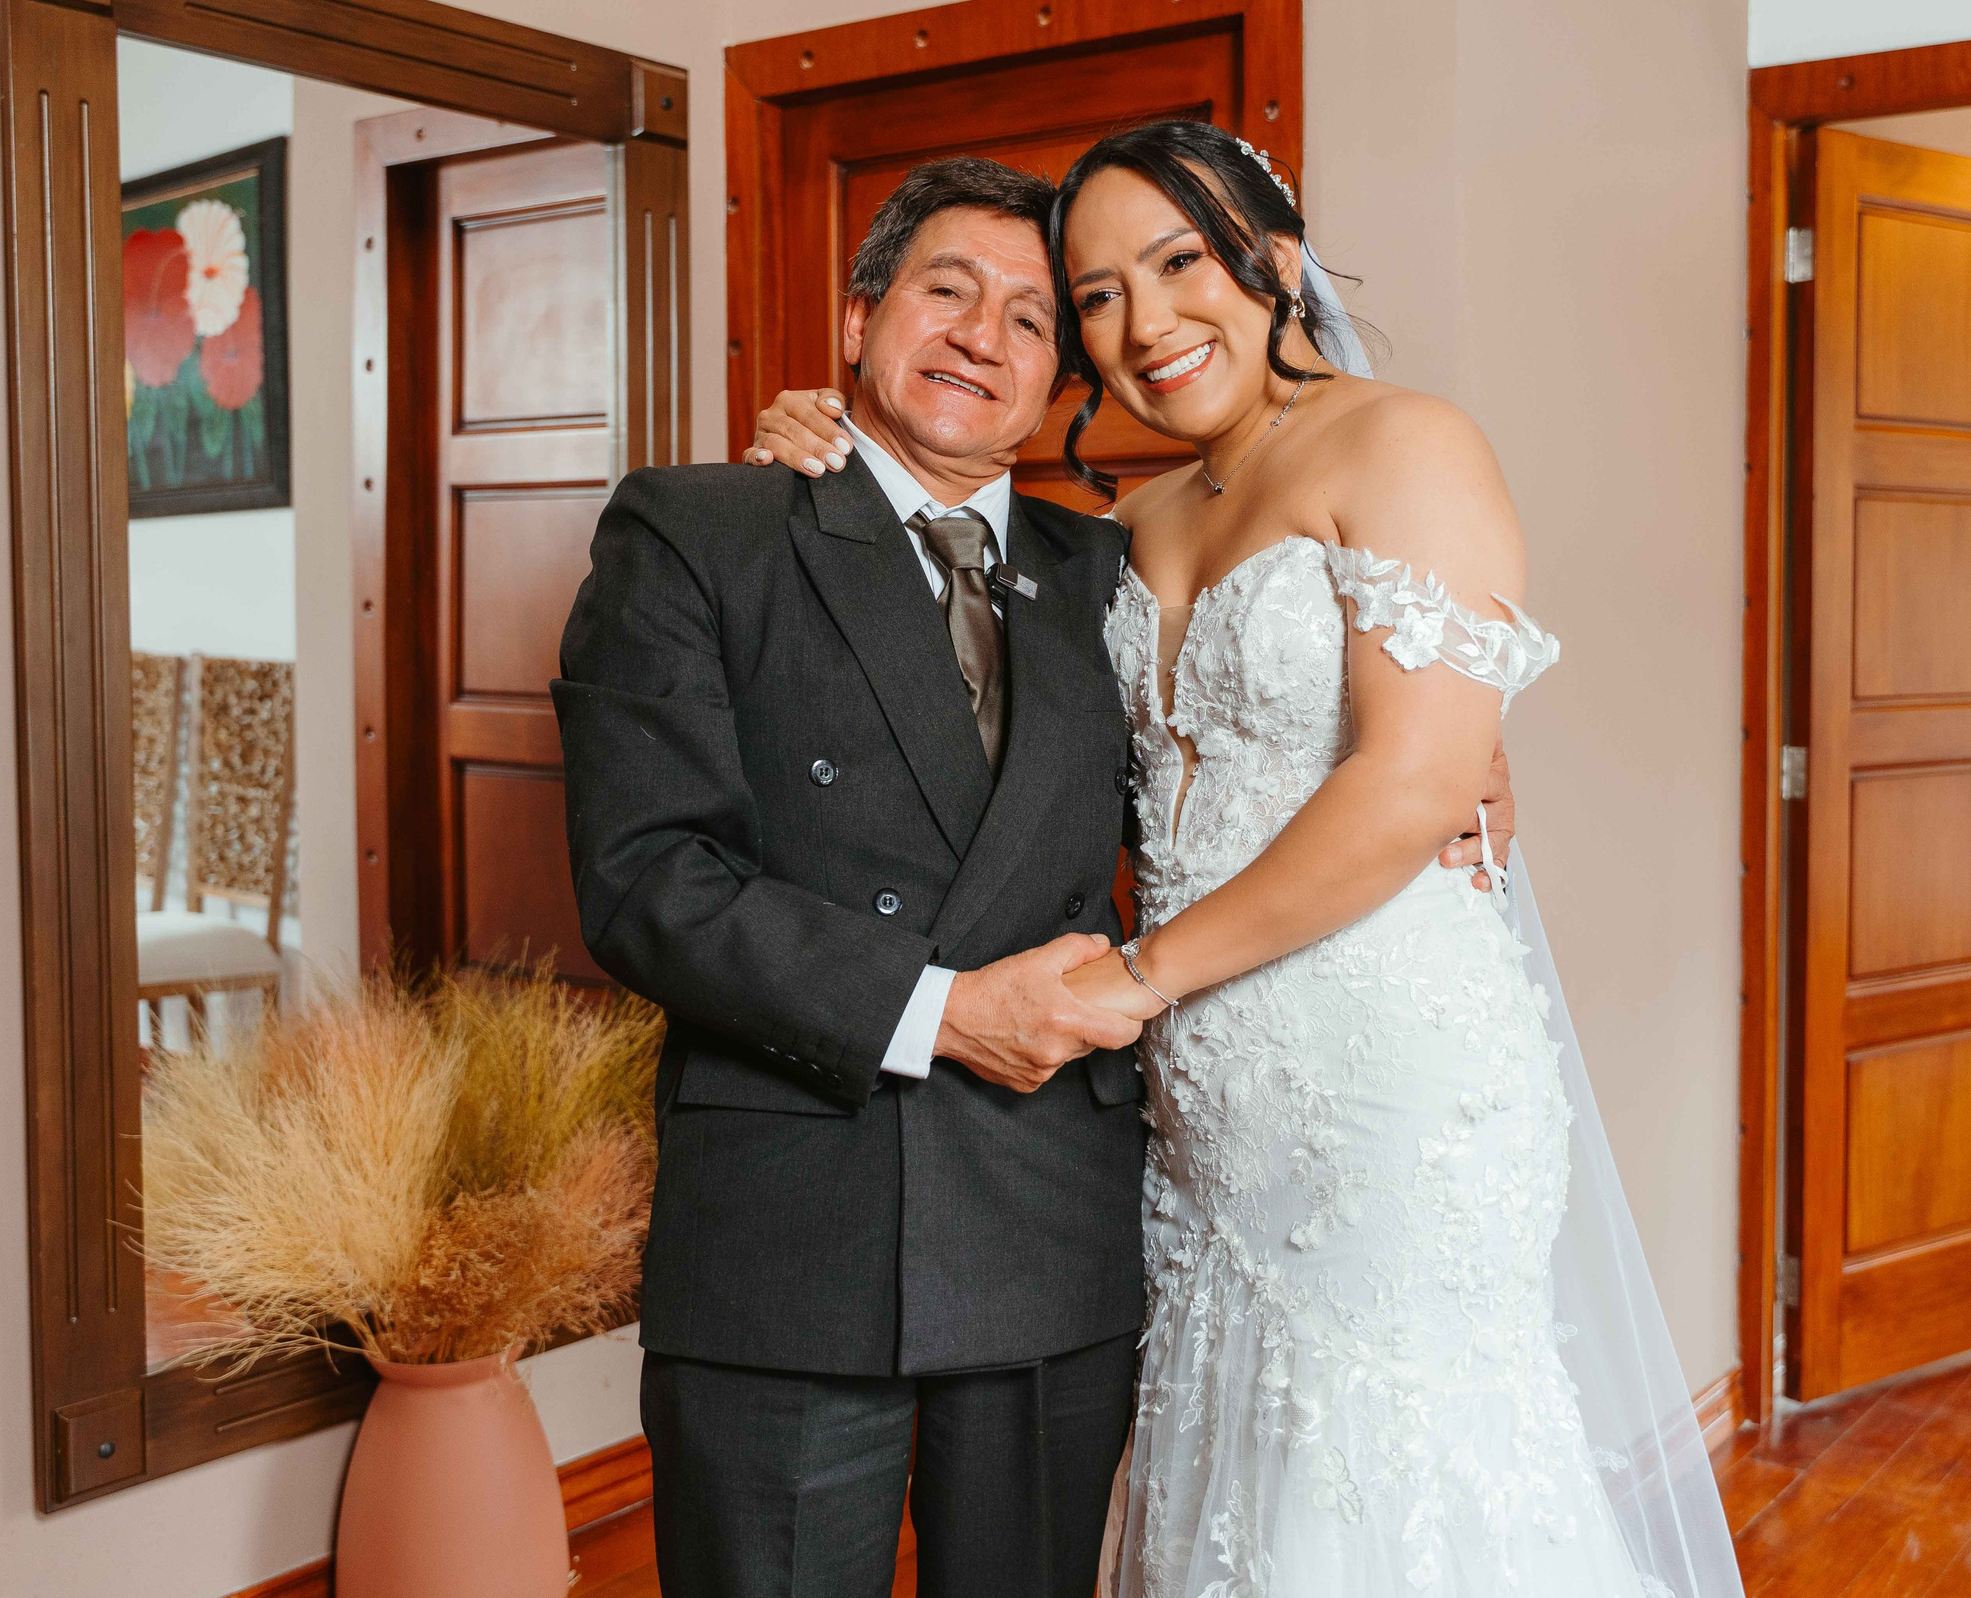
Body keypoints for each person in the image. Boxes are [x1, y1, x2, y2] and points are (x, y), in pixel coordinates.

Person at [744, 122, 1745, 1597]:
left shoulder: (1406, 443)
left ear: (1273, 261)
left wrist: (1138, 980)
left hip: (1383, 1087)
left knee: (1374, 1501)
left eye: (1179, 263)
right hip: (1195, 1125)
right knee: (1233, 1500)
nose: (1144, 323)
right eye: (1097, 296)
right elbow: (1002, 730)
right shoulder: (1119, 526)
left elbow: (1411, 781)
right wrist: (826, 450)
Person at [553, 155, 1511, 1598]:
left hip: (1055, 1218)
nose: (979, 339)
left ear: (1061, 376)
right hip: (793, 1232)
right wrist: (942, 1013)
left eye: (1031, 319)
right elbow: (646, 879)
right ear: (860, 317)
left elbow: (1286, 733)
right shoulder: (704, 528)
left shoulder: (1107, 567)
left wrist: (1464, 749)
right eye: (945, 293)